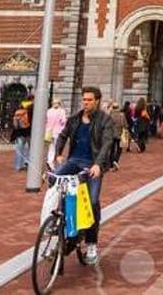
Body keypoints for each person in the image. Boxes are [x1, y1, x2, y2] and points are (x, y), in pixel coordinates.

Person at [53, 86, 115, 266]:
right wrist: (58, 154)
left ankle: (91, 243)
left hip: (93, 164)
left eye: (89, 100)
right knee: (53, 180)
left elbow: (106, 143)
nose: (85, 103)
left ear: (97, 101)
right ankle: (54, 221)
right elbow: (62, 136)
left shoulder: (105, 120)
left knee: (93, 201)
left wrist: (98, 164)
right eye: (84, 100)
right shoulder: (74, 119)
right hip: (74, 160)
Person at [12, 92, 33, 172]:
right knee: (31, 148)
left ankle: (18, 166)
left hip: (19, 131)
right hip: (29, 130)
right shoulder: (32, 107)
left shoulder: (20, 106)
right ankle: (27, 163)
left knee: (19, 149)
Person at [45, 97, 67, 168]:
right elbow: (63, 121)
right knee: (56, 147)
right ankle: (51, 162)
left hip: (49, 131)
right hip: (57, 132)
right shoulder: (61, 111)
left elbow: (46, 121)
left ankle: (50, 161)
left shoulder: (49, 111)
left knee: (51, 147)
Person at [108, 101, 125, 169]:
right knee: (119, 148)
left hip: (111, 134)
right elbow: (125, 124)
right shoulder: (122, 115)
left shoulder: (110, 115)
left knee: (111, 149)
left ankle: (110, 164)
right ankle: (116, 160)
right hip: (119, 134)